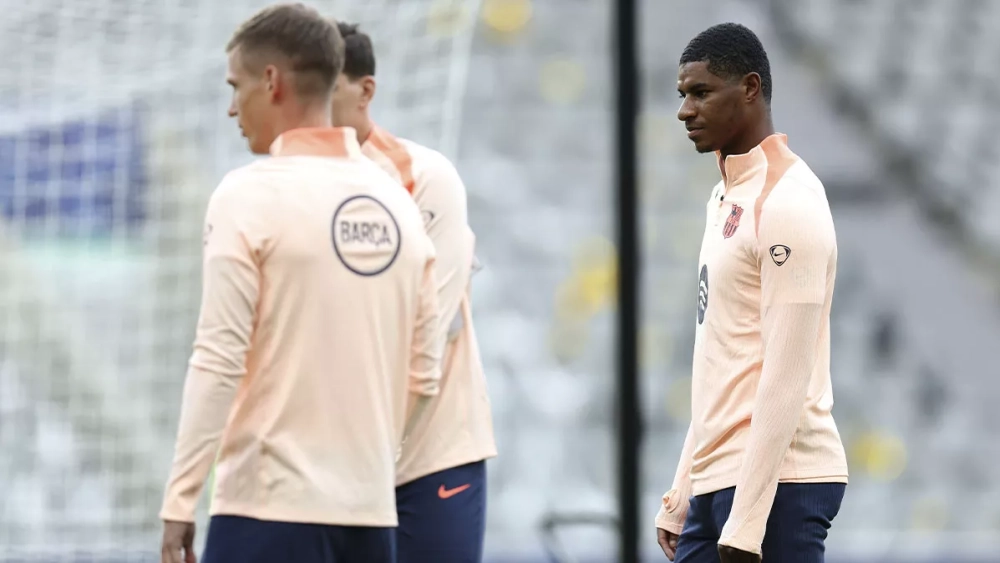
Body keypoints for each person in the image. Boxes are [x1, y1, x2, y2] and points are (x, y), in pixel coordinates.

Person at [158, 5, 443, 563]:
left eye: (235, 85)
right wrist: (369, 465)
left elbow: (218, 358)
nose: (230, 107)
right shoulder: (398, 203)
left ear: (271, 82)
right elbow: (426, 370)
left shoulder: (247, 196)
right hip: (368, 519)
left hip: (266, 513)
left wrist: (180, 499)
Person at [655, 23, 848, 563]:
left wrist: (745, 520)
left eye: (700, 92)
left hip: (780, 483)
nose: (684, 110)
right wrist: (683, 489)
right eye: (681, 95)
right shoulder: (725, 198)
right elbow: (724, 364)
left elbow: (786, 373)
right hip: (723, 481)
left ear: (750, 88)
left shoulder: (788, 202)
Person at [329, 21, 497, 563]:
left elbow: (430, 335)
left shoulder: (424, 178)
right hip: (335, 464)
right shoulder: (290, 189)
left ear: (365, 91)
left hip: (430, 457)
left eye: (327, 88)